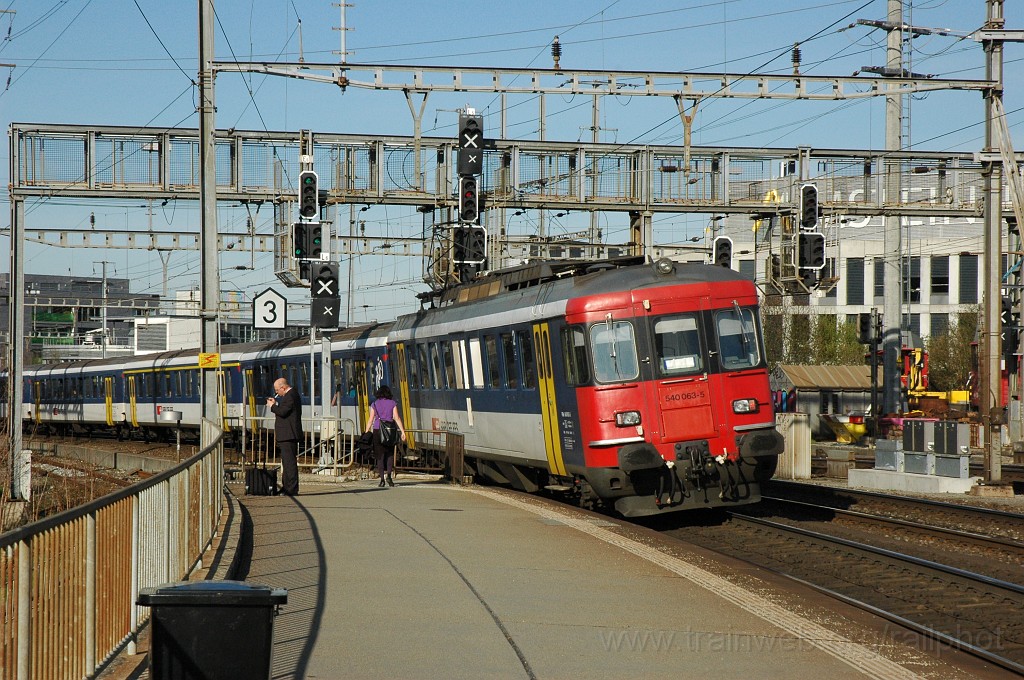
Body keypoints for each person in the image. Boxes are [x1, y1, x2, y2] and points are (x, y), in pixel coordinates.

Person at [365, 384, 406, 487]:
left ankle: (382, 480)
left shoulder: (374, 404)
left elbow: (370, 420)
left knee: (380, 456)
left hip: (377, 430)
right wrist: (402, 431)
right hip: (389, 431)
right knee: (390, 454)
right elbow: (396, 418)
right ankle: (389, 477)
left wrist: (366, 432)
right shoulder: (392, 403)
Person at [267, 377, 302, 496]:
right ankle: (286, 486)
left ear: (283, 387)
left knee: (290, 463)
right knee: (286, 463)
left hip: (289, 434)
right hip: (287, 434)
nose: (276, 393)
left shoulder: (291, 395)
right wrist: (276, 404)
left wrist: (272, 406)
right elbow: (283, 409)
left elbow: (283, 412)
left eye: (277, 390)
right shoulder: (290, 396)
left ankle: (291, 489)